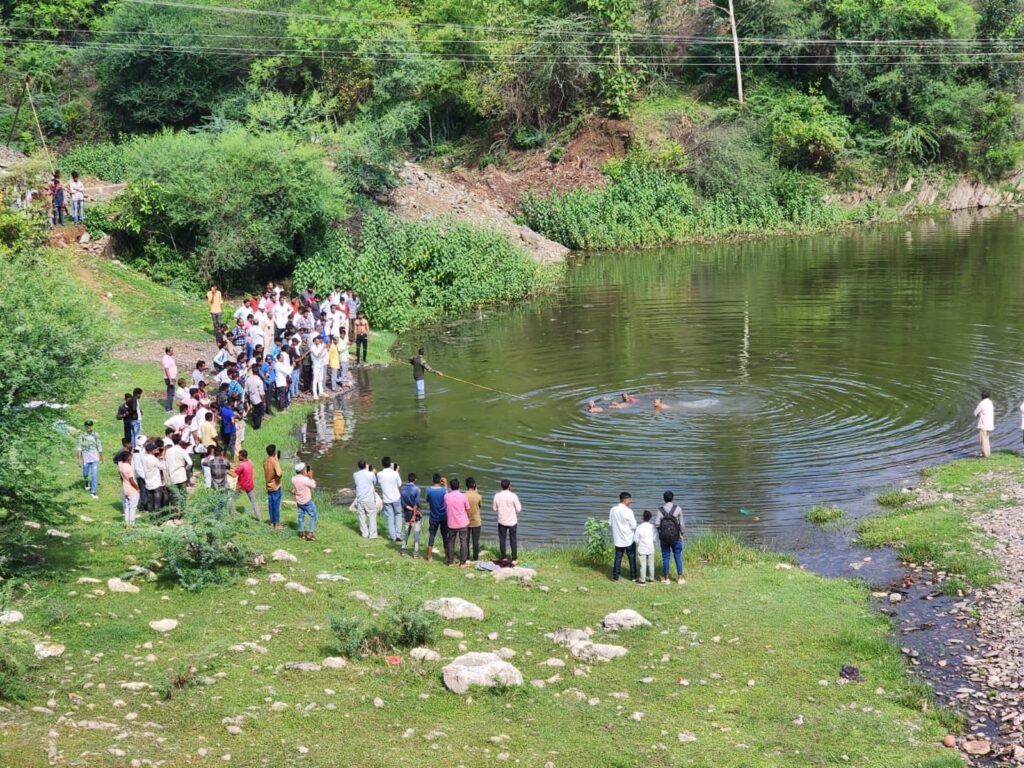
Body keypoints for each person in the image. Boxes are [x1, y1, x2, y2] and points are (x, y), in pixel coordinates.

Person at [654, 491, 685, 584]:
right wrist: (682, 534)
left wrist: (661, 534)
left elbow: (656, 524)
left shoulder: (660, 510)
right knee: (678, 556)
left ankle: (666, 578)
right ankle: (680, 578)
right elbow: (682, 524)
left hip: (664, 538)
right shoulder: (678, 508)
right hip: (676, 537)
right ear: (672, 498)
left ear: (664, 499)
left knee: (666, 557)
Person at [609, 492, 638, 582]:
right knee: (632, 557)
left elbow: (610, 523)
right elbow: (634, 526)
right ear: (625, 500)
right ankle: (633, 577)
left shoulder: (613, 509)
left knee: (618, 557)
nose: (631, 501)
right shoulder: (628, 511)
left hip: (618, 538)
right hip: (629, 538)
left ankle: (615, 577)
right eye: (630, 499)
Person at [493, 478, 522, 564]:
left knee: (502, 539)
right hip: (512, 521)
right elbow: (519, 509)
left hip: (502, 521)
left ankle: (503, 557)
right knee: (513, 539)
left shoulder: (497, 496)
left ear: (501, 486)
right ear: (509, 486)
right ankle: (514, 558)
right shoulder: (513, 496)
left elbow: (494, 509)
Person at [444, 478, 470, 566]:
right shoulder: (463, 496)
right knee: (463, 541)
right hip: (462, 522)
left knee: (451, 542)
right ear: (459, 486)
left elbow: (445, 507)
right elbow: (468, 508)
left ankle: (450, 561)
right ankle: (463, 562)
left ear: (451, 487)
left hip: (451, 523)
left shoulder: (446, 496)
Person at [228, 449, 260, 520]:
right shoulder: (250, 462)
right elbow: (242, 470)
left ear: (242, 456)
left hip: (241, 486)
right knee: (254, 501)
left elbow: (234, 475)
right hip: (250, 485)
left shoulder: (241, 465)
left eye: (239, 455)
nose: (238, 457)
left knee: (233, 499)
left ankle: (233, 514)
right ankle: (259, 517)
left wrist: (226, 471)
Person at [377, 457, 403, 542]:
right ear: (390, 464)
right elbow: (399, 484)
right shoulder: (395, 473)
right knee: (398, 514)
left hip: (386, 499)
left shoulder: (379, 474)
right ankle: (398, 534)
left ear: (382, 464)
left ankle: (393, 536)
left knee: (390, 517)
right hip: (396, 497)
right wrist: (396, 471)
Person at [164, 435, 192, 512]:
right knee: (183, 494)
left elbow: (166, 464)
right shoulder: (182, 450)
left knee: (174, 496)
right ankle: (183, 512)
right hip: (181, 475)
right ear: (180, 441)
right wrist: (185, 468)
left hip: (172, 475)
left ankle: (174, 515)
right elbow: (190, 463)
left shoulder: (168, 451)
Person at [425, 473, 449, 563]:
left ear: (432, 480)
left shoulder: (428, 490)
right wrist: (446, 484)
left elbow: (427, 500)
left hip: (433, 516)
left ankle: (429, 556)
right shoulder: (444, 490)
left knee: (432, 535)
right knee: (444, 536)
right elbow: (448, 497)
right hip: (443, 516)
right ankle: (447, 556)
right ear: (440, 481)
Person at [76, 420, 103, 499]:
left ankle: (93, 492)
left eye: (90, 426)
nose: (89, 427)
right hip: (86, 457)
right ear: (85, 427)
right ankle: (86, 482)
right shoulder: (82, 436)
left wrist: (101, 456)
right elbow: (79, 447)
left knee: (94, 474)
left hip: (95, 457)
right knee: (85, 473)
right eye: (87, 426)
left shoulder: (95, 435)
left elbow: (99, 445)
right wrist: (79, 459)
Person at [353, 459, 378, 539]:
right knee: (372, 516)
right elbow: (375, 482)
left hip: (360, 498)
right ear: (365, 465)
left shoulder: (355, 474)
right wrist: (373, 473)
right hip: (369, 499)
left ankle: (364, 534)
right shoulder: (370, 474)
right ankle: (372, 535)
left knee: (362, 516)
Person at [292, 462, 318, 541]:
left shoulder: (293, 478)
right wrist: (311, 477)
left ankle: (302, 533)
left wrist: (306, 476)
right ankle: (310, 533)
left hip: (299, 501)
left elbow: (300, 482)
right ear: (302, 471)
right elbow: (313, 485)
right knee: (313, 515)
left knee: (301, 516)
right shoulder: (305, 479)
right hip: (307, 501)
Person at [400, 472, 422, 557]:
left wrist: (412, 510)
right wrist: (415, 513)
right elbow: (416, 504)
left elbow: (404, 504)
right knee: (416, 533)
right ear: (415, 480)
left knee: (406, 532)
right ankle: (416, 553)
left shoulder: (403, 489)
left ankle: (403, 549)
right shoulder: (417, 489)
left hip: (407, 514)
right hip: (415, 515)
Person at [118, 449, 140, 527]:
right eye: (130, 457)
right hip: (132, 490)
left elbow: (121, 477)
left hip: (125, 488)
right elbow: (131, 480)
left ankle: (127, 524)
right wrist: (137, 488)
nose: (131, 458)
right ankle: (132, 524)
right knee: (133, 508)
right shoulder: (129, 468)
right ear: (128, 458)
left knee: (127, 508)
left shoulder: (121, 466)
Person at [142, 442, 166, 512]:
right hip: (155, 483)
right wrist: (162, 459)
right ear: (152, 451)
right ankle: (157, 520)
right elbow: (162, 467)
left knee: (150, 502)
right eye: (155, 449)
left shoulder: (144, 458)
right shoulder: (153, 459)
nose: (156, 450)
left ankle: (151, 518)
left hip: (148, 482)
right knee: (157, 503)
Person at [264, 444, 283, 529]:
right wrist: (278, 479)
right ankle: (277, 524)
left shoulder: (265, 460)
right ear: (274, 452)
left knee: (271, 504)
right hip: (275, 486)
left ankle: (272, 522)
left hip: (268, 485)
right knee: (276, 505)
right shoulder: (274, 462)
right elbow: (279, 473)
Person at [635, 510, 656, 585]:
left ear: (642, 517)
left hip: (642, 549)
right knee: (651, 564)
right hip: (650, 548)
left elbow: (636, 540)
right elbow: (654, 538)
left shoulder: (639, 527)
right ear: (650, 518)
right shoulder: (653, 527)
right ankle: (651, 579)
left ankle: (643, 581)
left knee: (642, 565)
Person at [465, 477, 483, 562]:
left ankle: (467, 556)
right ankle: (475, 558)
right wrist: (477, 492)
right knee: (475, 541)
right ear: (474, 485)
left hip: (466, 521)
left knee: (466, 540)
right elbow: (479, 506)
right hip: (476, 521)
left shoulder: (463, 495)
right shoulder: (479, 496)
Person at [245, 363, 265, 429]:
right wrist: (264, 401)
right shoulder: (259, 381)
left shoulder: (248, 379)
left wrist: (248, 399)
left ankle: (254, 421)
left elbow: (246, 390)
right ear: (258, 372)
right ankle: (257, 426)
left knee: (254, 411)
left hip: (251, 398)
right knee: (258, 413)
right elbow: (261, 393)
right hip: (258, 399)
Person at [975, 388, 995, 458]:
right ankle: (987, 453)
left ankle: (985, 455)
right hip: (990, 424)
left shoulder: (982, 403)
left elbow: (975, 412)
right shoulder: (990, 402)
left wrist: (979, 414)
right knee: (986, 439)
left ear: (982, 395)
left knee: (983, 440)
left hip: (983, 425)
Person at [162, 347, 177, 413]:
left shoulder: (169, 358)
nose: (173, 352)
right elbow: (166, 369)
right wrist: (170, 379)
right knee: (170, 393)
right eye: (171, 351)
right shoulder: (166, 358)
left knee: (171, 393)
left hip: (172, 377)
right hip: (169, 378)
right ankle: (168, 409)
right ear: (168, 352)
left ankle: (170, 407)